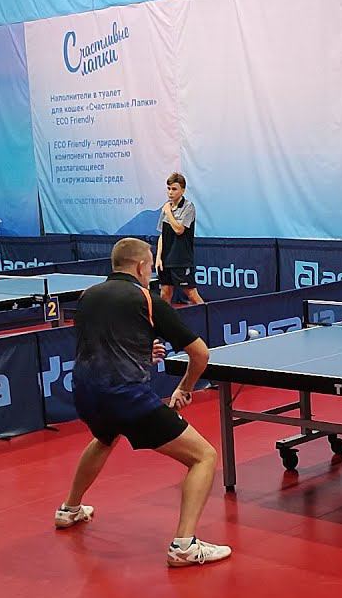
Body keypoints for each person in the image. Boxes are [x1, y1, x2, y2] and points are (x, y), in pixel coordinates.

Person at [55, 237, 230, 567]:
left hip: (84, 393)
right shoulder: (148, 300)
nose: (151, 272)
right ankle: (185, 545)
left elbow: (100, 346)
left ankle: (69, 509)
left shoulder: (88, 296)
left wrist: (139, 353)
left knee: (105, 437)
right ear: (140, 267)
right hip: (126, 397)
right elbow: (200, 354)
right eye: (150, 266)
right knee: (204, 457)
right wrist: (185, 388)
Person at [154, 172, 204, 305]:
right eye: (169, 188)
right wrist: (158, 257)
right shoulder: (166, 207)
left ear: (182, 190)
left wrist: (168, 212)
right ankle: (165, 319)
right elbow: (162, 235)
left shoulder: (188, 207)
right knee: (165, 293)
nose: (170, 192)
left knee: (192, 294)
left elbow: (179, 230)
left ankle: (207, 317)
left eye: (174, 189)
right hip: (166, 260)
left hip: (181, 260)